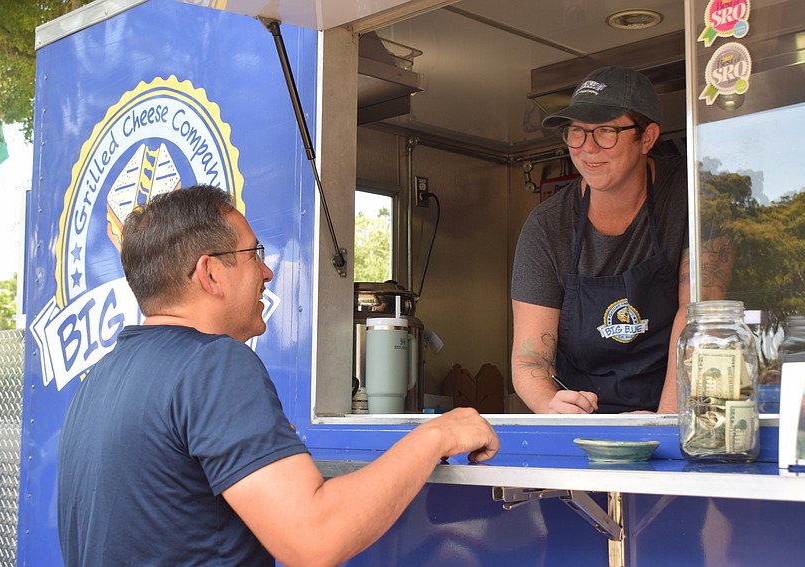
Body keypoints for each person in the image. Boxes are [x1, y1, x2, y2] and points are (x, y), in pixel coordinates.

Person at [57, 184, 499, 566]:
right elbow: (316, 538)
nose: (267, 271)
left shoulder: (99, 379)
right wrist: (437, 435)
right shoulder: (214, 365)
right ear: (211, 273)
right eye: (254, 254)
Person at [511, 66, 689, 414]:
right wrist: (553, 407)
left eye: (606, 131)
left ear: (648, 137)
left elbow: (698, 320)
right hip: (586, 428)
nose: (588, 148)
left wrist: (663, 424)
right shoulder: (547, 228)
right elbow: (529, 358)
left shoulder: (690, 197)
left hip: (676, 416)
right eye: (576, 132)